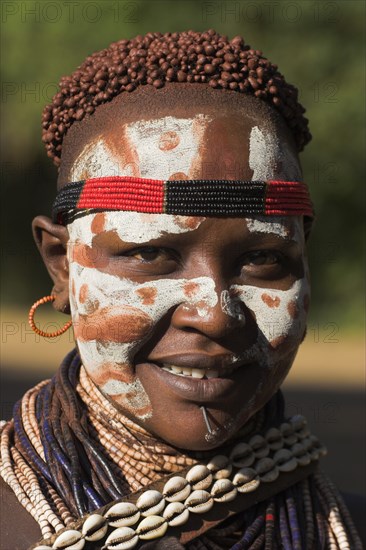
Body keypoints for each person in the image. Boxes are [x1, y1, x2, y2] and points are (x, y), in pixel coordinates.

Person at [0, 30, 363, 550]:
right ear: (62, 265)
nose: (213, 315)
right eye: (150, 254)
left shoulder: (344, 529)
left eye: (262, 259)